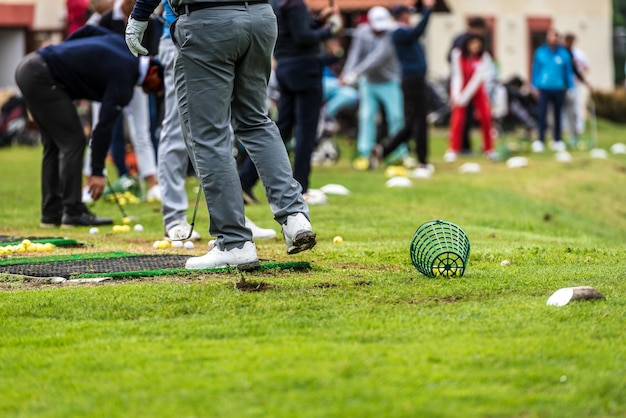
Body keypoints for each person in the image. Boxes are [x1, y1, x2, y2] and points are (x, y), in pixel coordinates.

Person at [127, 0, 317, 269]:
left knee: (208, 135)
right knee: (256, 122)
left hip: (208, 21)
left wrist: (139, 15)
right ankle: (294, 215)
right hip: (260, 17)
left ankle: (234, 242)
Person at [14, 25, 164, 228]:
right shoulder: (125, 79)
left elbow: (90, 30)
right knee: (73, 141)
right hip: (42, 75)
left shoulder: (124, 46)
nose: (156, 93)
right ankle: (73, 211)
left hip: (31, 66)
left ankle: (51, 214)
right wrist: (96, 172)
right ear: (153, 71)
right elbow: (103, 126)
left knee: (54, 144)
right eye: (159, 87)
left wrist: (63, 51)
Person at [155, 0, 276, 241]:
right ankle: (174, 216)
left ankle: (234, 219)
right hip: (180, 33)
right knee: (178, 128)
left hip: (223, 24)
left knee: (225, 130)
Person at [237, 0, 342, 205]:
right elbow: (303, 37)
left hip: (285, 69)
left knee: (281, 129)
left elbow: (296, 29)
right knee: (306, 130)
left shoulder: (277, 3)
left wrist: (319, 20)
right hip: (305, 70)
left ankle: (245, 180)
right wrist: (330, 30)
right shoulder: (295, 4)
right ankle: (301, 187)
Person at [372, 1, 434, 178]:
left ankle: (383, 150)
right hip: (412, 80)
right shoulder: (398, 32)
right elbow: (418, 31)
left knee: (412, 123)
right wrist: (428, 10)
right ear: (403, 15)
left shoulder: (403, 32)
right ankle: (423, 161)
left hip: (415, 79)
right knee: (420, 121)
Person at [340, 6, 406, 171]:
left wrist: (354, 74)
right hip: (368, 83)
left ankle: (398, 153)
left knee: (396, 117)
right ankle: (365, 153)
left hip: (390, 81)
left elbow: (377, 58)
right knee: (366, 116)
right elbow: (355, 54)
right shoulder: (362, 32)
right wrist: (346, 73)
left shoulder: (391, 34)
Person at [445, 34, 495, 161]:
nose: (475, 48)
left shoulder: (484, 58)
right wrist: (456, 95)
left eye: (478, 45)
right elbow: (457, 75)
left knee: (485, 117)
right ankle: (453, 149)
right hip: (461, 87)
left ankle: (489, 149)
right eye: (473, 45)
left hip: (477, 89)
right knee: (457, 119)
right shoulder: (457, 54)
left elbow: (477, 79)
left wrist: (464, 97)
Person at [530, 28, 574, 153]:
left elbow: (568, 72)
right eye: (550, 36)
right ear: (547, 38)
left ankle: (557, 140)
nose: (552, 39)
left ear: (558, 38)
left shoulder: (563, 54)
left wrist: (570, 87)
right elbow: (536, 70)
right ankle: (540, 140)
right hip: (544, 88)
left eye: (555, 36)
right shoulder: (540, 52)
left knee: (558, 115)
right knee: (542, 114)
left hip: (559, 88)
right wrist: (534, 85)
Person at [562, 33, 590, 147]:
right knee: (562, 110)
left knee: (575, 108)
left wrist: (584, 80)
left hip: (574, 85)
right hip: (561, 85)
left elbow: (582, 68)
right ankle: (563, 131)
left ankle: (577, 130)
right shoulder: (563, 53)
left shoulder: (578, 54)